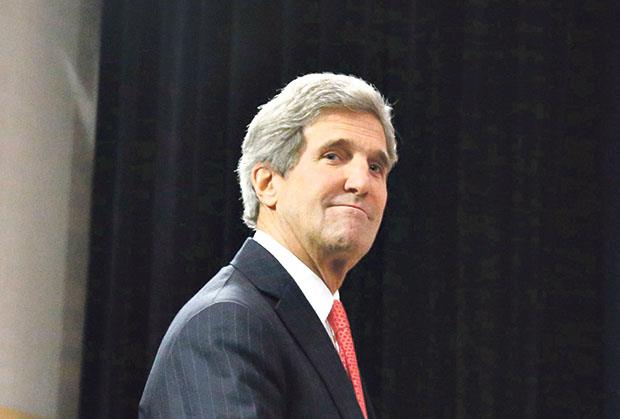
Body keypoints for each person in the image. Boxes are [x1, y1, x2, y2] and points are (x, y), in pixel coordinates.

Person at [139, 73, 398, 418]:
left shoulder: (322, 326)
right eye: (334, 156)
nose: (361, 182)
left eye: (376, 166)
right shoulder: (225, 323)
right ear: (267, 183)